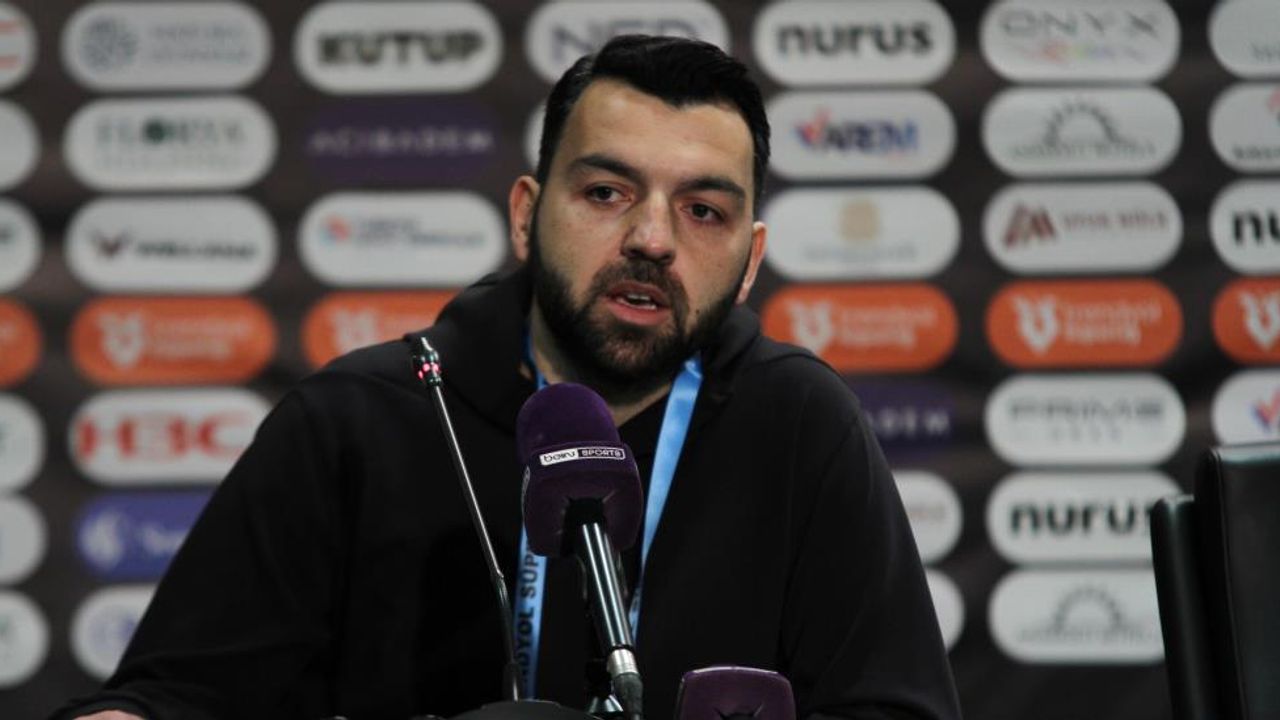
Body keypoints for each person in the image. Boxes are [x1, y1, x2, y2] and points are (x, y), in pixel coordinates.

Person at [57, 35, 962, 720]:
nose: (652, 238)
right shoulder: (357, 421)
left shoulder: (800, 424)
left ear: (751, 258)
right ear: (527, 215)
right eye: (606, 193)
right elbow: (172, 699)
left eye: (703, 210)